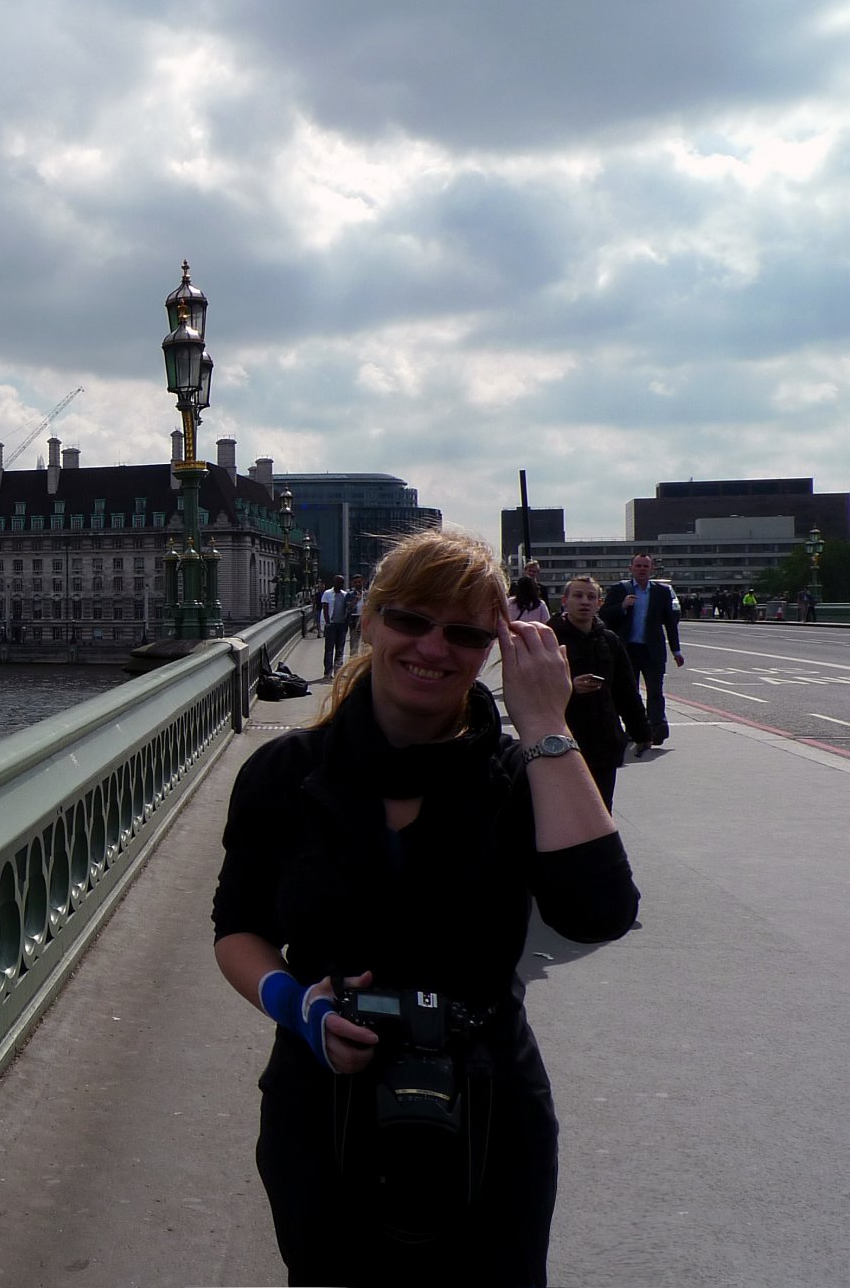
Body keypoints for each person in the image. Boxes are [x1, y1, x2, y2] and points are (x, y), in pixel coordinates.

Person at [212, 527, 639, 1285]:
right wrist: (296, 1007)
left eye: (466, 633)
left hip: (488, 1102)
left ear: (493, 649)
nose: (434, 647)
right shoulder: (286, 773)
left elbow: (597, 911)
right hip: (325, 1103)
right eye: (412, 619)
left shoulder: (517, 774)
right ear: (369, 620)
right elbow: (239, 926)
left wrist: (545, 727)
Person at [553, 575, 651, 805]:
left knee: (600, 808)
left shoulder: (609, 640)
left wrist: (642, 732)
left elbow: (626, 691)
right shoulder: (549, 638)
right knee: (565, 810)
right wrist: (570, 687)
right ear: (565, 601)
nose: (584, 601)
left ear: (599, 604)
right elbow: (532, 688)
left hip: (603, 741)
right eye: (578, 596)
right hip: (564, 740)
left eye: (591, 597)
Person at [601, 555, 684, 746]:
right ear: (631, 568)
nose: (642, 569)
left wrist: (676, 650)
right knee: (630, 692)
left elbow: (670, 623)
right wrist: (622, 606)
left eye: (645, 566)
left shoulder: (662, 592)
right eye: (638, 566)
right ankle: (634, 729)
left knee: (655, 691)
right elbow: (604, 614)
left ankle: (656, 729)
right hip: (627, 650)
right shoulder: (620, 590)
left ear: (652, 569)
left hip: (652, 650)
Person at [317, 575, 351, 678]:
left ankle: (338, 672)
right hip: (331, 624)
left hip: (342, 625)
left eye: (342, 583)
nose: (340, 585)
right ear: (334, 582)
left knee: (340, 649)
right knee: (329, 649)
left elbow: (347, 609)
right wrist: (327, 623)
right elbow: (325, 609)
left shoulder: (345, 595)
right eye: (339, 582)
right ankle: (327, 672)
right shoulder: (327, 594)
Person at [347, 572, 368, 659]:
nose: (357, 584)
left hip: (365, 618)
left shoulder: (367, 593)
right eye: (355, 582)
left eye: (359, 582)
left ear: (363, 581)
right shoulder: (350, 594)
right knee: (354, 641)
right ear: (353, 583)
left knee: (366, 641)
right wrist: (355, 600)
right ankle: (353, 661)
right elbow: (348, 607)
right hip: (354, 618)